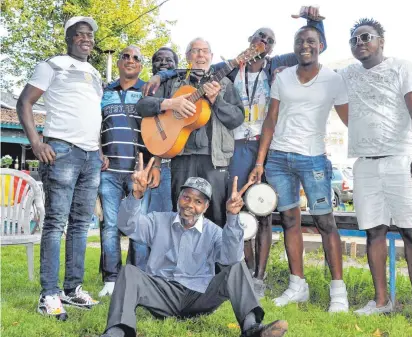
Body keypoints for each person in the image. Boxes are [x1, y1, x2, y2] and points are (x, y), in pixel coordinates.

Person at [142, 6, 326, 299]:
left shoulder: (257, 71)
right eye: (259, 38)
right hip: (207, 154)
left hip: (244, 152)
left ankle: (241, 279)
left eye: (269, 40)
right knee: (205, 213)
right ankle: (193, 274)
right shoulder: (199, 76)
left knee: (241, 213)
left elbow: (314, 50)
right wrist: (165, 89)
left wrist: (314, 21)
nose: (264, 42)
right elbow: (162, 94)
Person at [100, 154, 288, 337]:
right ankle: (116, 332)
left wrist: (232, 217)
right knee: (129, 272)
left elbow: (230, 258)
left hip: (199, 296)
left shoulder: (213, 231)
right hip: (162, 294)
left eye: (198, 201)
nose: (190, 205)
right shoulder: (158, 221)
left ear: (206, 207)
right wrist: (136, 195)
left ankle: (252, 328)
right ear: (179, 198)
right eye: (186, 198)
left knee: (237, 267)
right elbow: (126, 226)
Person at [333, 14, 412, 325]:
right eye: (354, 40)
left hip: (401, 159)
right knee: (374, 231)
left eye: (366, 37)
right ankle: (381, 300)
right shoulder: (348, 74)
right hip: (365, 164)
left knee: (411, 229)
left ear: (381, 41)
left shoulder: (402, 67)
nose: (359, 43)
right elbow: (316, 71)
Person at [248, 20, 349, 311]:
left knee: (324, 222)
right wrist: (260, 161)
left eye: (310, 41)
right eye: (299, 42)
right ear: (293, 48)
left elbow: (349, 119)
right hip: (278, 159)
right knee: (290, 221)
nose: (305, 46)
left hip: (313, 159)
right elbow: (270, 120)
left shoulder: (333, 79)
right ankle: (297, 285)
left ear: (320, 46)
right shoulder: (282, 77)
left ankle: (338, 292)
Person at [16, 16, 102, 320]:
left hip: (91, 156)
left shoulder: (94, 72)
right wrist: (37, 143)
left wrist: (99, 150)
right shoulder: (52, 65)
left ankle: (72, 289)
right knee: (56, 224)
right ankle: (49, 294)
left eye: (89, 35)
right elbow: (24, 102)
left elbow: (90, 115)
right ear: (68, 39)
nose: (86, 39)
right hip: (61, 151)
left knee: (81, 224)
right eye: (79, 35)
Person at [136, 37, 244, 228]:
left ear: (211, 56)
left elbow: (236, 119)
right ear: (187, 56)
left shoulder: (225, 84)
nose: (200, 55)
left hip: (214, 160)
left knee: (215, 217)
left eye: (204, 51)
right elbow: (143, 106)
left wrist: (216, 100)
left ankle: (214, 258)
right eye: (195, 51)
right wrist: (170, 103)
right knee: (182, 215)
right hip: (182, 158)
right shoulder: (173, 83)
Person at [98, 46, 161, 297]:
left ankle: (138, 279)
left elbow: (159, 130)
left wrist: (154, 164)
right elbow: (94, 124)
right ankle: (111, 281)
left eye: (136, 58)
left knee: (138, 227)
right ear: (120, 62)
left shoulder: (149, 92)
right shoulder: (104, 92)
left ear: (141, 65)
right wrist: (96, 150)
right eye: (126, 56)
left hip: (139, 174)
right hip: (109, 171)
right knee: (110, 226)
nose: (130, 60)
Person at [142, 47, 179, 214]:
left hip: (173, 164)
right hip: (147, 165)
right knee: (149, 221)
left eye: (169, 59)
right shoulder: (145, 89)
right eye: (159, 59)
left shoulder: (183, 87)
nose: (163, 62)